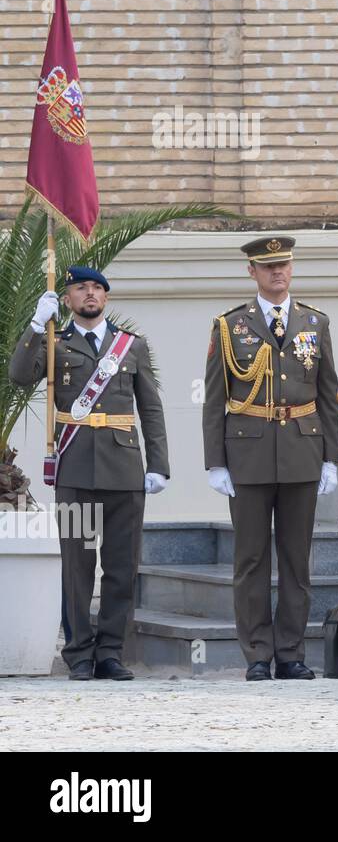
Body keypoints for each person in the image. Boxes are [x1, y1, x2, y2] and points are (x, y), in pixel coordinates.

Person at [10, 266, 169, 681]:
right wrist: (33, 325)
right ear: (67, 300)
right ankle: (79, 653)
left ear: (106, 298)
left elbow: (150, 409)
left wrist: (159, 466)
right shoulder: (55, 344)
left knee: (121, 566)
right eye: (81, 288)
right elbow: (18, 376)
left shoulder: (131, 347)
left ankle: (111, 652)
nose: (90, 294)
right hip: (76, 470)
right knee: (78, 566)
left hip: (124, 471)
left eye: (98, 288)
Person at [203, 236, 338, 681]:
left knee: (297, 560)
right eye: (267, 267)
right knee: (251, 560)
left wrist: (331, 458)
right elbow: (214, 400)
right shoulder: (229, 326)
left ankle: (292, 653)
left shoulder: (315, 323)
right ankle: (258, 654)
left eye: (283, 264)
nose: (277, 272)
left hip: (303, 449)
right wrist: (215, 462)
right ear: (252, 272)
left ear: (292, 268)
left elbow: (327, 396)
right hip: (248, 453)